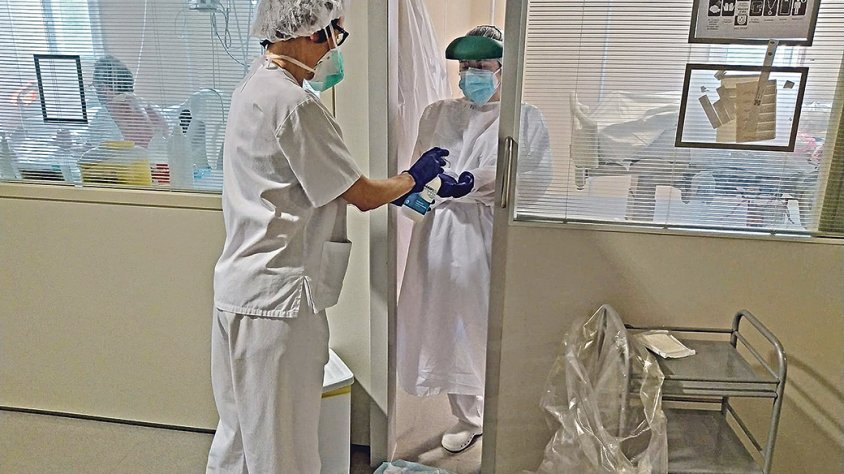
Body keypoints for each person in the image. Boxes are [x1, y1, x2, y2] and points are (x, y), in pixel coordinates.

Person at [207, 1, 448, 472]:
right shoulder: (295, 105)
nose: (335, 51)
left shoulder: (253, 86)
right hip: (278, 303)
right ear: (310, 32)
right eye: (336, 35)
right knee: (285, 446)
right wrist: (412, 178)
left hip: (240, 292)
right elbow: (361, 195)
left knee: (240, 436)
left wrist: (405, 191)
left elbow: (307, 183)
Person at [397, 25, 552, 454]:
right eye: (465, 66)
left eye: (481, 65)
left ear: (503, 68)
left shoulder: (523, 117)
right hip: (438, 233)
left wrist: (475, 182)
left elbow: (535, 180)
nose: (470, 74)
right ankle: (469, 417)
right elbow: (420, 168)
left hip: (489, 232)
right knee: (447, 323)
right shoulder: (437, 113)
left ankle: (504, 415)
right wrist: (417, 188)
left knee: (490, 325)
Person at [88, 56, 168, 148]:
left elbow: (92, 150)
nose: (96, 91)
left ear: (103, 88)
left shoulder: (105, 114)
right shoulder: (153, 108)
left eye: (95, 86)